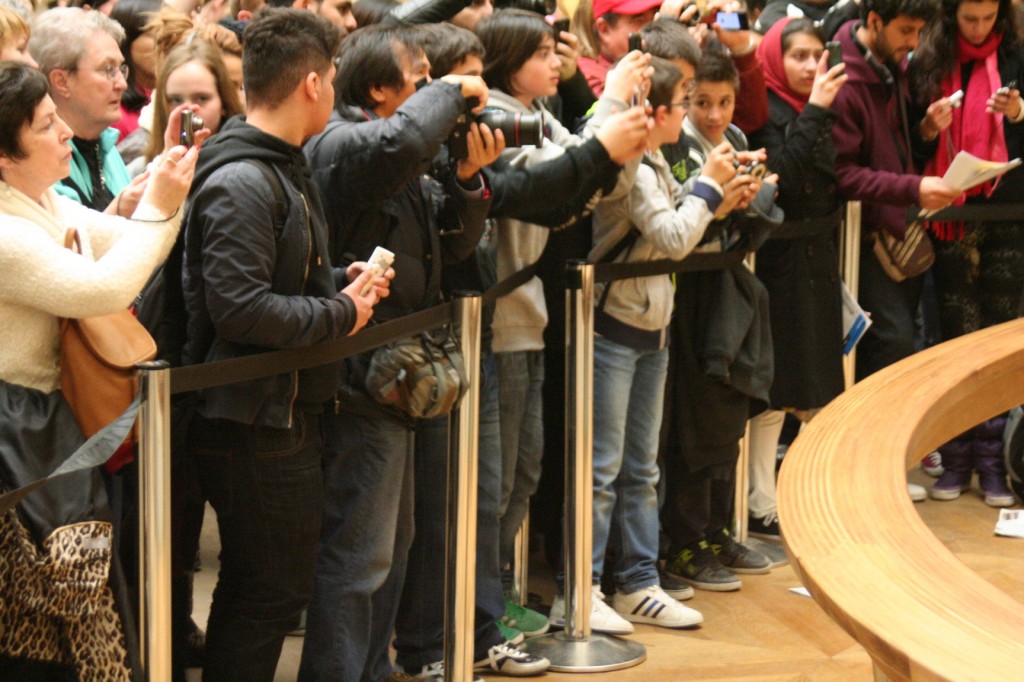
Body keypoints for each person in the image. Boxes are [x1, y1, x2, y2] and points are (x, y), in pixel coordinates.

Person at [180, 10, 387, 681]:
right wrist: (339, 313)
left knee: (267, 591)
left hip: (280, 412)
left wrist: (336, 286)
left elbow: (276, 279)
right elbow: (239, 310)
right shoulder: (244, 178)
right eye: (331, 78)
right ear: (312, 84)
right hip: (251, 420)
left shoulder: (281, 166)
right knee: (266, 594)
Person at [299, 24, 508, 682]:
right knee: (358, 554)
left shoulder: (403, 156)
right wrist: (451, 88)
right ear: (379, 88)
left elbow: (456, 244)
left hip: (404, 372)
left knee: (396, 544)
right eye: (417, 80)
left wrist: (470, 181)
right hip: (361, 378)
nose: (428, 93)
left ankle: (374, 669)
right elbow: (404, 137)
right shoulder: (346, 143)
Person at [0, 60, 199, 679]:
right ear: (5, 156)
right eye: (44, 125)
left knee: (79, 592)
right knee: (44, 605)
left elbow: (116, 238)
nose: (65, 133)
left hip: (45, 420)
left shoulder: (42, 200)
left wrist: (160, 188)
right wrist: (161, 203)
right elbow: (104, 286)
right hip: (15, 428)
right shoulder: (5, 230)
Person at [660, 47, 775, 592]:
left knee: (727, 417)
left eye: (724, 102)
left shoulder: (741, 144)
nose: (713, 114)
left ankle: (717, 528)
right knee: (692, 426)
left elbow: (750, 223)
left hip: (730, 290)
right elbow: (680, 224)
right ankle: (684, 541)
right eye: (701, 101)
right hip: (686, 300)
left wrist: (753, 203)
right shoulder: (678, 148)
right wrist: (718, 206)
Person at [909, 0, 1024, 507]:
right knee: (955, 338)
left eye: (986, 19)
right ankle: (955, 459)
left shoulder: (1018, 54)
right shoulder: (929, 59)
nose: (978, 28)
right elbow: (908, 145)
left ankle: (995, 465)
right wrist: (930, 127)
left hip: (1008, 213)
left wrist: (1018, 113)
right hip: (953, 213)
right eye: (969, 19)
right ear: (951, 16)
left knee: (999, 344)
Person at [745, 17, 847, 539]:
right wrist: (814, 113)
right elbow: (776, 179)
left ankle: (807, 494)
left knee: (815, 385)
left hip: (816, 258)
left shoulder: (820, 107)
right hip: (776, 262)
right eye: (798, 56)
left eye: (816, 55)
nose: (810, 66)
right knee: (773, 386)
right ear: (772, 57)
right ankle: (760, 500)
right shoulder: (763, 107)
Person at [830, 0, 955, 382]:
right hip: (862, 237)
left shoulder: (892, 67)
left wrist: (927, 131)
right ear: (873, 21)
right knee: (892, 344)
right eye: (905, 31)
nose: (914, 43)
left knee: (905, 343)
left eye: (919, 32)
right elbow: (843, 174)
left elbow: (896, 151)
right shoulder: (843, 81)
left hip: (896, 227)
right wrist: (913, 188)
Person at [110, 0, 163, 141]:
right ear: (127, 40)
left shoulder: (166, 95)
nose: (167, 43)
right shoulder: (114, 112)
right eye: (156, 34)